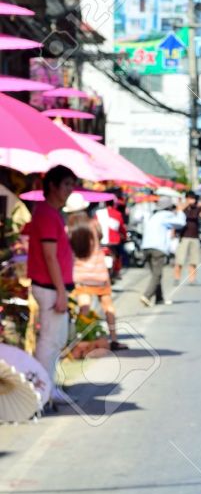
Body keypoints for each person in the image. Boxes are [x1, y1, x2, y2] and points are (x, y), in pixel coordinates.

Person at [23, 166, 76, 405]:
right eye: (66, 184)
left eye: (71, 185)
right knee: (49, 339)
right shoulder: (45, 214)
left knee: (55, 339)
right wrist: (61, 292)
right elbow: (49, 256)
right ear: (53, 186)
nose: (69, 190)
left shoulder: (52, 213)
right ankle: (42, 389)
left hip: (54, 286)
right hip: (50, 287)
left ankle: (48, 386)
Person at [69, 218, 125, 351]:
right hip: (99, 273)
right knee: (108, 306)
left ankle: (84, 340)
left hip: (80, 273)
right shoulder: (94, 224)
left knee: (84, 308)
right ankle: (114, 339)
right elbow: (100, 236)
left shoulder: (70, 228)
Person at [139, 197, 185, 307]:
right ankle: (147, 295)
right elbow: (181, 223)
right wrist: (180, 211)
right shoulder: (166, 215)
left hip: (146, 247)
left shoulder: (153, 216)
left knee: (155, 273)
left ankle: (159, 298)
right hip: (157, 248)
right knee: (157, 274)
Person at [173, 193, 201, 286]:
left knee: (194, 260)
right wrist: (186, 203)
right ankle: (177, 278)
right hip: (184, 236)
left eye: (193, 198)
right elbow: (178, 211)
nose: (192, 200)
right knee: (180, 259)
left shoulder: (197, 208)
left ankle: (192, 279)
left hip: (195, 237)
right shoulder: (182, 207)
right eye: (190, 198)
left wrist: (200, 206)